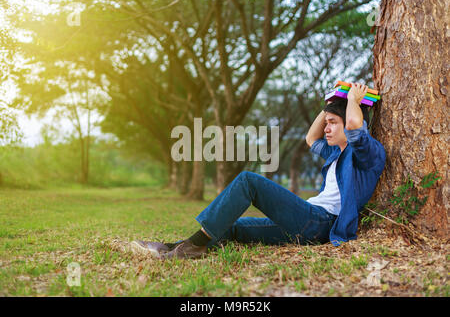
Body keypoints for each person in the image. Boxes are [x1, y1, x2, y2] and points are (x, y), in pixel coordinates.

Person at [131, 83, 386, 259]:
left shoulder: (367, 152)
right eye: (327, 123)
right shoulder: (335, 153)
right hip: (306, 222)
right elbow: (311, 137)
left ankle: (192, 248)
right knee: (232, 225)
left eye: (332, 123)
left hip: (321, 224)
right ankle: (172, 248)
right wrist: (332, 102)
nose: (326, 128)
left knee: (248, 181)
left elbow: (353, 123)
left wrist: (352, 98)